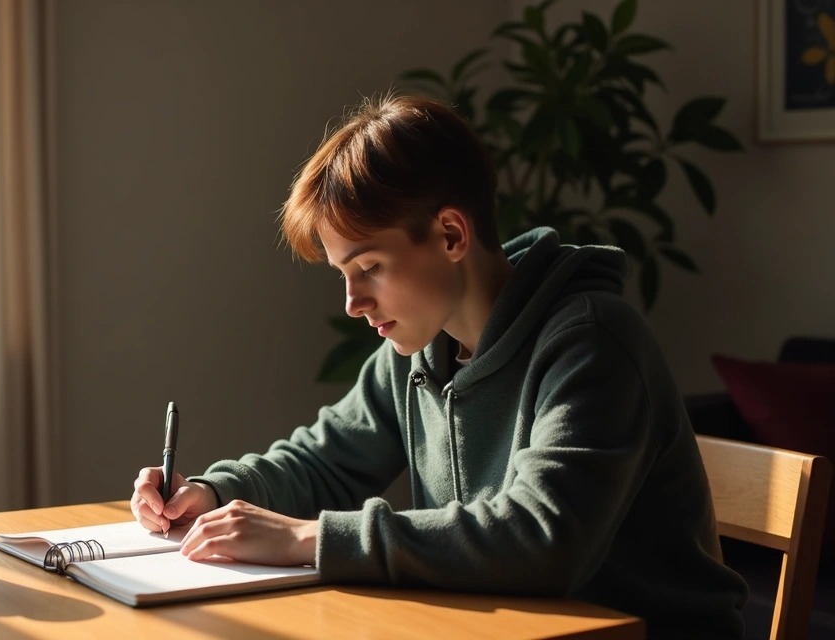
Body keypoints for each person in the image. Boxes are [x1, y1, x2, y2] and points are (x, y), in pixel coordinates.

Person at [130, 93, 748, 638]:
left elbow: (542, 540)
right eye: (344, 275)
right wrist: (211, 493)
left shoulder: (593, 342)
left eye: (369, 267)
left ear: (451, 235)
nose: (353, 303)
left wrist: (306, 538)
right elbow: (326, 460)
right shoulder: (420, 348)